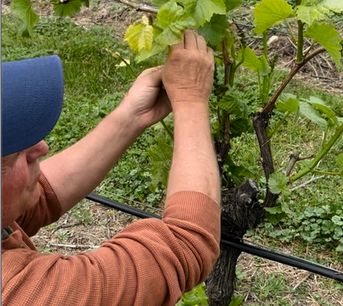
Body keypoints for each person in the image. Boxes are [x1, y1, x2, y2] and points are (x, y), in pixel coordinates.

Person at [1, 31, 221, 305]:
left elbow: (41, 195)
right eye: (16, 152)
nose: (41, 148)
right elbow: (186, 242)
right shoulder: (22, 294)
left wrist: (132, 116)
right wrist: (190, 98)